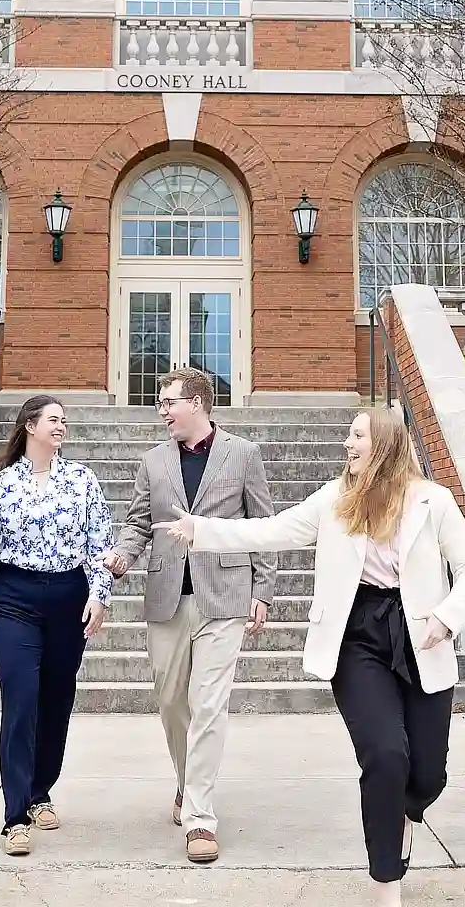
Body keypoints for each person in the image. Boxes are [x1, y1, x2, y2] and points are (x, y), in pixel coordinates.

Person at [151, 406, 465, 907]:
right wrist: (203, 530)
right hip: (356, 637)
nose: (347, 445)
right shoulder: (335, 499)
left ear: (387, 445)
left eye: (357, 436)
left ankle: (405, 812)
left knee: (427, 774)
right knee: (385, 755)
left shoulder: (432, 501)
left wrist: (446, 616)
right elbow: (273, 530)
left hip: (420, 633)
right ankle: (386, 882)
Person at [102, 367, 274, 863]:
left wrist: (262, 588)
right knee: (172, 699)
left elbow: (262, 525)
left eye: (170, 402)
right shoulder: (153, 461)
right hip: (167, 596)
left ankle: (200, 815)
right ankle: (187, 779)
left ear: (197, 403)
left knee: (209, 703)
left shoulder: (243, 454)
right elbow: (139, 523)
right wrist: (122, 557)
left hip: (225, 597)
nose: (163, 411)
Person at [0, 395, 113, 857]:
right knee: (21, 700)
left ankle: (41, 789)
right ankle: (14, 816)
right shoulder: (1, 486)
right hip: (14, 601)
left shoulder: (82, 480)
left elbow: (99, 542)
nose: (61, 426)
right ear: (30, 425)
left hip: (68, 599)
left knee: (57, 699)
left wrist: (99, 595)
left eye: (64, 419)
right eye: (53, 419)